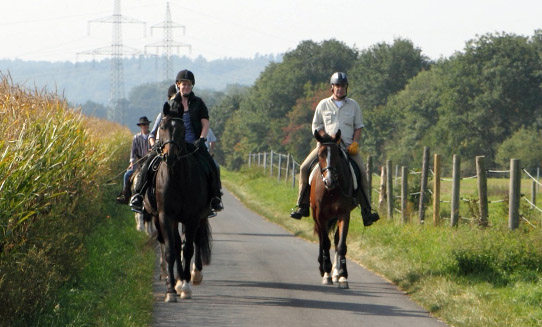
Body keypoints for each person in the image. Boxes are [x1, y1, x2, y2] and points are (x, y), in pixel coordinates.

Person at [290, 72, 380, 226]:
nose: (340, 89)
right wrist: (326, 138)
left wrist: (355, 142)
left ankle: (367, 211)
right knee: (304, 168)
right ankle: (302, 205)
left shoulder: (353, 105)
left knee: (363, 174)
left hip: (347, 147)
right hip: (326, 148)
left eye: (343, 86)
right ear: (332, 87)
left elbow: (358, 126)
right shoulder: (323, 105)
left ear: (346, 88)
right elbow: (316, 126)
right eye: (337, 86)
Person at [129, 70, 224, 214]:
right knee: (149, 162)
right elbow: (164, 124)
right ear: (178, 85)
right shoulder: (171, 103)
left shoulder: (198, 103)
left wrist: (202, 139)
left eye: (189, 84)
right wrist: (158, 142)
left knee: (213, 166)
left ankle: (214, 199)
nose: (186, 87)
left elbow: (205, 124)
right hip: (171, 143)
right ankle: (138, 195)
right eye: (183, 84)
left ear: (192, 86)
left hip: (193, 144)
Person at [115, 116, 151, 204]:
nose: (145, 126)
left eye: (146, 124)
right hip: (139, 161)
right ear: (140, 126)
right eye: (143, 125)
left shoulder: (152, 136)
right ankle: (125, 196)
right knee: (127, 175)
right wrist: (131, 162)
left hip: (150, 160)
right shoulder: (136, 138)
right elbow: (133, 151)